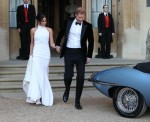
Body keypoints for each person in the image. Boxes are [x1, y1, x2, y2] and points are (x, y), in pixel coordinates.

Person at [55, 7, 94, 110]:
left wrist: (89, 56)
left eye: (83, 16)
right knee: (68, 76)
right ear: (76, 15)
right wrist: (57, 44)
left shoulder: (88, 26)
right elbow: (61, 33)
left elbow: (91, 41)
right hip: (68, 52)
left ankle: (77, 101)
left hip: (81, 54)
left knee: (81, 78)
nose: (81, 19)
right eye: (80, 17)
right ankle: (67, 89)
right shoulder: (68, 21)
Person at [23, 14, 55, 106]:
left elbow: (51, 43)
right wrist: (30, 54)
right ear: (38, 21)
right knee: (36, 74)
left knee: (43, 74)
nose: (44, 22)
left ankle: (42, 96)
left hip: (45, 54)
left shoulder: (49, 30)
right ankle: (36, 97)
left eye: (45, 21)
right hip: (36, 53)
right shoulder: (33, 30)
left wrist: (57, 47)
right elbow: (32, 43)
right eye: (43, 21)